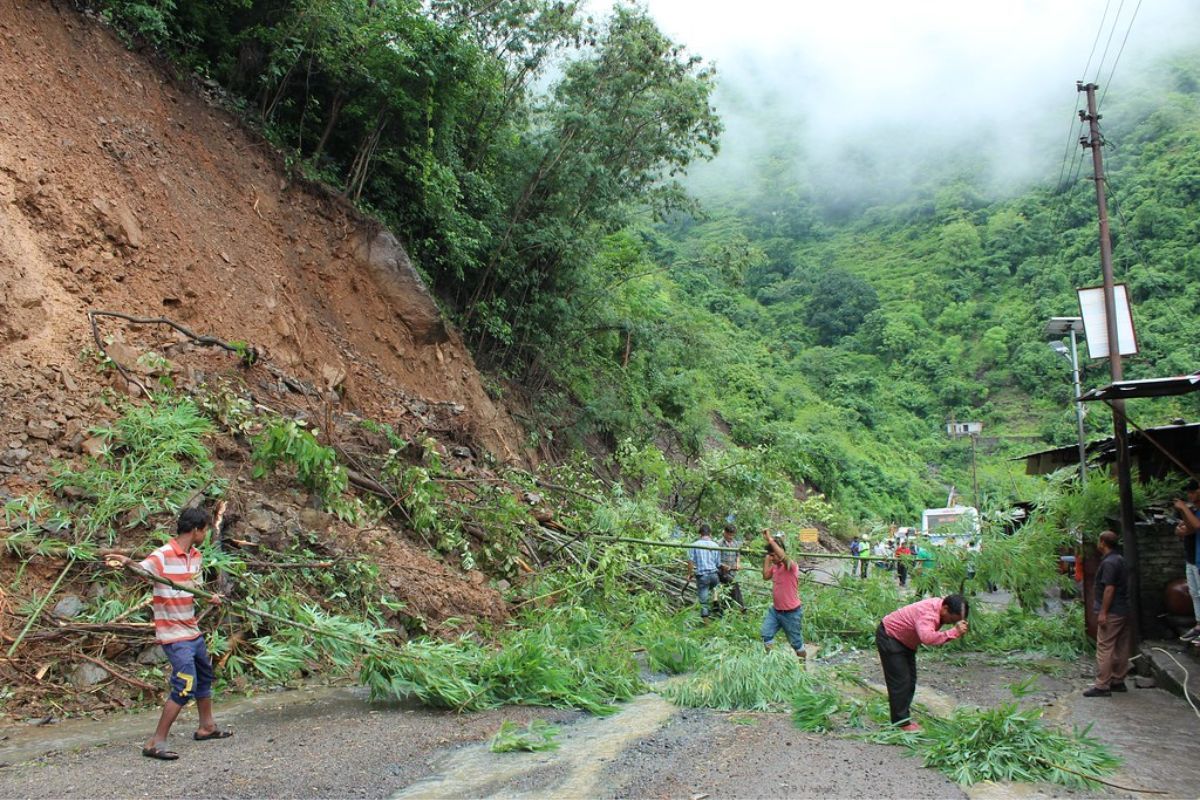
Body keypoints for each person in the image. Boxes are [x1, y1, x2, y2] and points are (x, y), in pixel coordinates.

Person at [107, 502, 232, 760]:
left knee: (204, 678)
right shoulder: (162, 555)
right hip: (173, 635)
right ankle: (156, 741)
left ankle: (207, 727)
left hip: (192, 631)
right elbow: (141, 570)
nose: (206, 534)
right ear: (197, 529)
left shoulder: (195, 556)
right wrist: (126, 560)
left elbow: (191, 588)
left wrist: (210, 597)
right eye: (205, 530)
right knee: (185, 684)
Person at [875, 594, 969, 730]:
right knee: (901, 682)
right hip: (891, 637)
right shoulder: (928, 615)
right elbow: (927, 638)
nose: (950, 623)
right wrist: (953, 632)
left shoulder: (941, 606)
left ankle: (903, 717)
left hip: (906, 642)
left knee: (910, 680)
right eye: (952, 619)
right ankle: (901, 723)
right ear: (945, 608)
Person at [1084, 530, 1133, 697]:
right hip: (1123, 609)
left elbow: (1109, 589)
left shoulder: (1109, 563)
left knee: (1104, 646)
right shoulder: (1119, 559)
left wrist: (1103, 612)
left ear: (1103, 543)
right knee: (1121, 645)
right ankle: (1118, 680)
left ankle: (1102, 685)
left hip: (1113, 611)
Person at [761, 530, 806, 659]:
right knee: (766, 634)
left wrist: (770, 540)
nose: (772, 558)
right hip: (776, 611)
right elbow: (765, 576)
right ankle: (774, 662)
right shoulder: (775, 567)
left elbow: (782, 555)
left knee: (796, 644)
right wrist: (767, 558)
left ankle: (803, 670)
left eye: (773, 555)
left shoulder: (790, 566)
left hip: (791, 613)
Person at [1172, 483, 1200, 641]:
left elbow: (1195, 526)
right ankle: (1198, 624)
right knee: (1194, 593)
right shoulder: (1193, 511)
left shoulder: (1193, 511)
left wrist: (1183, 508)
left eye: (1193, 492)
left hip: (1198, 558)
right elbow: (1185, 528)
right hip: (1192, 557)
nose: (1190, 495)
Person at [686, 523, 722, 623]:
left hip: (703, 576)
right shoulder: (716, 545)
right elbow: (718, 563)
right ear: (710, 534)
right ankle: (715, 596)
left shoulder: (694, 545)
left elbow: (690, 562)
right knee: (715, 585)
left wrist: (689, 574)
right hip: (714, 575)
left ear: (700, 534)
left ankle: (707, 624)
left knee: (703, 602)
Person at [717, 523, 747, 614]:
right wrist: (722, 565)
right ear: (725, 533)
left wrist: (738, 564)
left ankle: (724, 612)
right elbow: (715, 559)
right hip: (722, 572)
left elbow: (738, 555)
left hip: (732, 572)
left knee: (728, 592)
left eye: (733, 535)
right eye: (729, 534)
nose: (731, 537)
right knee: (734, 584)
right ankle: (741, 606)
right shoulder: (719, 543)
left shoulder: (735, 543)